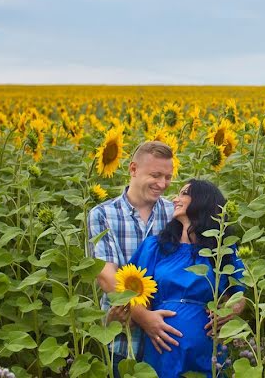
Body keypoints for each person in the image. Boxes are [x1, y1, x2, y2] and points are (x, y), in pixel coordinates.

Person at [128, 179, 246, 378]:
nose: (175, 199)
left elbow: (239, 294)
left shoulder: (222, 249)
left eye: (183, 193)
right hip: (162, 347)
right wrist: (144, 317)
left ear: (202, 200)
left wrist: (231, 311)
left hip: (208, 347)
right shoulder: (155, 247)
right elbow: (130, 293)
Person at [88, 141, 183, 374]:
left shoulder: (174, 214)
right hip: (122, 335)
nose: (162, 184)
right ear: (133, 169)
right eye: (156, 175)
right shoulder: (103, 215)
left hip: (167, 338)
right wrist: (145, 318)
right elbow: (106, 276)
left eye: (168, 177)